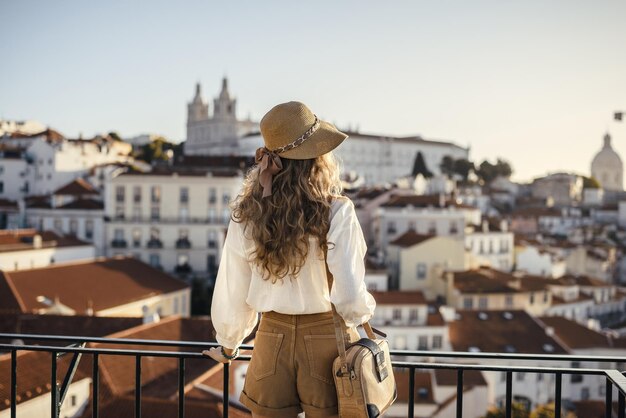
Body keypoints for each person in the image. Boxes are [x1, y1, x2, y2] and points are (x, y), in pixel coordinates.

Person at [203, 101, 376, 418]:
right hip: (328, 342)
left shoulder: (248, 214)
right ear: (319, 158)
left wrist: (229, 343)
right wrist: (365, 313)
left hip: (270, 340)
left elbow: (233, 287)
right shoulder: (338, 210)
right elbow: (350, 295)